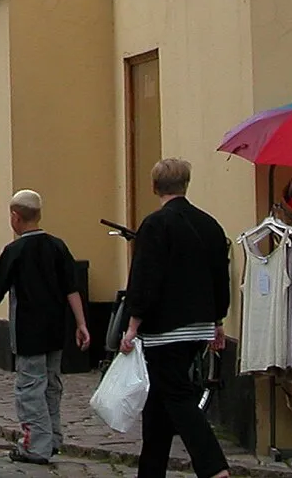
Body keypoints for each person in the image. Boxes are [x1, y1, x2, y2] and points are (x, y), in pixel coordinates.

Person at [118, 159, 231, 478]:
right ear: (186, 184)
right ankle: (150, 471)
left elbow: (145, 278)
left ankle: (214, 467)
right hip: (198, 326)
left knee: (178, 397)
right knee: (159, 403)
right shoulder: (210, 225)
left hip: (164, 331)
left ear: (155, 187)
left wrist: (132, 325)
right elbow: (218, 277)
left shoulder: (155, 225)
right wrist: (218, 321)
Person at [0, 190, 92, 465]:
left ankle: (35, 445)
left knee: (29, 387)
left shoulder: (14, 251)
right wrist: (81, 323)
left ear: (15, 217)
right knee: (52, 384)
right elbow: (71, 289)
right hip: (56, 329)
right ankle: (52, 437)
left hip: (27, 331)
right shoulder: (57, 246)